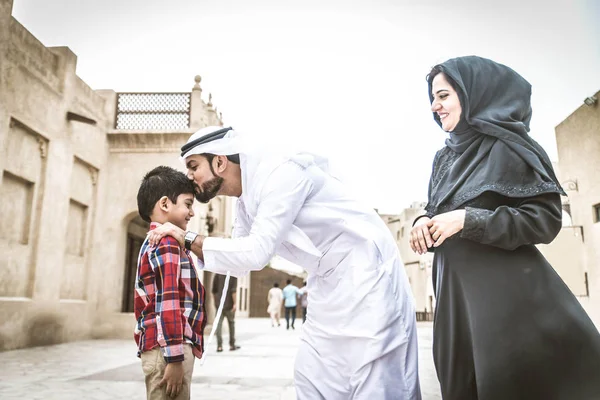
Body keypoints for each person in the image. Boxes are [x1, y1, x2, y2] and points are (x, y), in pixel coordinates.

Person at [147, 126, 422, 399]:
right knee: (313, 377)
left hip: (367, 276)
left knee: (377, 381)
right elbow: (241, 263)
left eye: (193, 166)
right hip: (326, 285)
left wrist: (187, 238)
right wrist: (185, 242)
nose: (189, 176)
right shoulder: (245, 201)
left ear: (219, 161)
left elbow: (256, 252)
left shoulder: (280, 173)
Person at [410, 55, 600, 400]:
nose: (435, 106)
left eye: (443, 96)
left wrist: (469, 220)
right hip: (455, 302)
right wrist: (423, 221)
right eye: (433, 98)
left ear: (473, 95)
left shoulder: (509, 147)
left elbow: (544, 221)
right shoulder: (443, 157)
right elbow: (439, 210)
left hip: (507, 308)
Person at [134, 166, 207, 400]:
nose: (192, 212)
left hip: (162, 347)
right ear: (165, 204)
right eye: (188, 204)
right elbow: (168, 301)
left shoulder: (159, 240)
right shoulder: (167, 243)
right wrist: (175, 359)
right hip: (169, 351)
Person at [211, 273, 240, 352]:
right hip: (229, 305)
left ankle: (219, 346)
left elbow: (214, 291)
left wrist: (216, 303)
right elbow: (233, 291)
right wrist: (235, 303)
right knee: (231, 324)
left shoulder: (218, 274)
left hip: (219, 305)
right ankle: (232, 345)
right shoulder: (233, 275)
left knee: (218, 325)